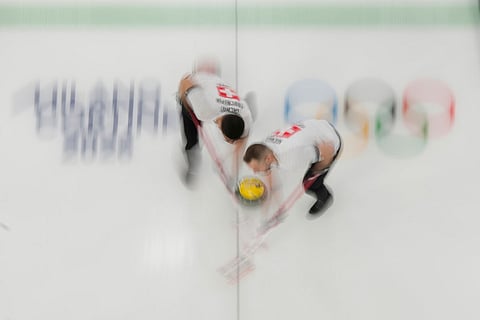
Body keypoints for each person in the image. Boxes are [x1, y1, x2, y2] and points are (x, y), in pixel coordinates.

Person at [243, 119, 342, 215]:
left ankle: (326, 197)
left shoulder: (293, 157)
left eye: (256, 168)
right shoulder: (264, 147)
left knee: (310, 185)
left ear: (268, 159)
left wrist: (317, 171)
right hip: (315, 126)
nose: (255, 172)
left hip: (330, 141)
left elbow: (326, 154)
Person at [177, 65, 254, 186]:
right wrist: (182, 97)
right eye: (229, 140)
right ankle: (192, 167)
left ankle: (247, 100)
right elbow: (185, 81)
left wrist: (233, 177)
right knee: (191, 138)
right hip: (195, 87)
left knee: (248, 113)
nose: (232, 143)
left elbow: (240, 146)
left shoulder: (246, 116)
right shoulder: (204, 111)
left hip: (217, 87)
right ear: (220, 128)